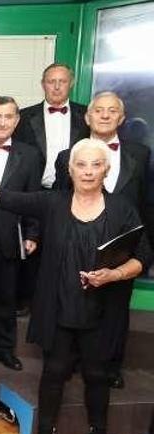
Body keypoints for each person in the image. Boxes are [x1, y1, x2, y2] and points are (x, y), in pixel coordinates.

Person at [0, 138, 152, 434]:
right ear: (70, 169)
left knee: (98, 375)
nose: (88, 171)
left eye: (96, 164)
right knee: (53, 373)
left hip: (102, 310)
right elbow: (6, 197)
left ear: (106, 169)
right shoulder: (53, 203)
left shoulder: (124, 208)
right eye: (81, 164)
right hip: (59, 307)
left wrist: (113, 275)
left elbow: (143, 257)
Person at [53, 92, 150, 389]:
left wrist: (144, 244)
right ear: (88, 116)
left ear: (121, 118)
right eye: (99, 110)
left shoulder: (140, 154)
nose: (105, 115)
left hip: (122, 243)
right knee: (73, 299)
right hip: (77, 239)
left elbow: (145, 201)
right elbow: (58, 200)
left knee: (116, 307)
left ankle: (111, 366)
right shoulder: (67, 156)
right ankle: (70, 361)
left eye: (112, 111)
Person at [0, 96, 43, 372]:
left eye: (8, 117)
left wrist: (33, 233)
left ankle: (4, 350)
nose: (2, 122)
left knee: (6, 299)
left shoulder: (30, 155)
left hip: (9, 236)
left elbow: (34, 198)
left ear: (16, 121)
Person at [15, 63, 89, 188]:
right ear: (43, 85)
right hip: (34, 191)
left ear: (71, 84)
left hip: (75, 191)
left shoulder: (87, 116)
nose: (57, 87)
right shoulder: (23, 117)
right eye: (51, 82)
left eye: (63, 81)